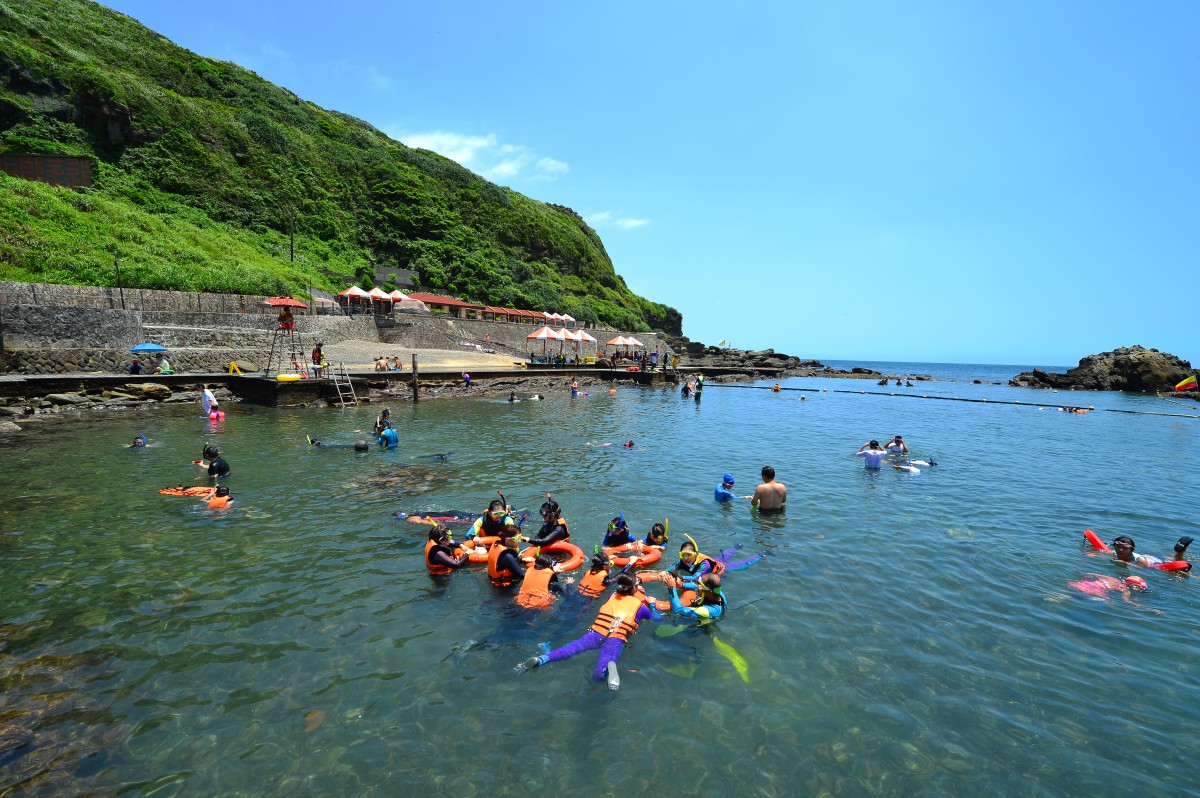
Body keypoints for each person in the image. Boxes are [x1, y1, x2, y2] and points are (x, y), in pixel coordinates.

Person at [514, 572, 662, 690]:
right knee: (600, 672)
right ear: (634, 588)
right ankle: (609, 669)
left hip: (595, 633)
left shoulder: (612, 596)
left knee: (568, 650)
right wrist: (652, 604)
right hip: (615, 639)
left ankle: (542, 659)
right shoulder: (640, 607)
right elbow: (657, 619)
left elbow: (622, 597)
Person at [1111, 535, 1192, 568]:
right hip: (1149, 556)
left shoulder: (1140, 560)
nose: (1120, 550)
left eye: (1125, 548)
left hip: (1154, 561)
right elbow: (1102, 552)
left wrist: (1123, 562)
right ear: (1114, 546)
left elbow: (1144, 568)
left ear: (1131, 550)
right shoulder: (1113, 553)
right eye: (1118, 547)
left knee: (1180, 569)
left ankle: (1180, 551)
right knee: (1173, 558)